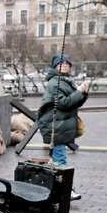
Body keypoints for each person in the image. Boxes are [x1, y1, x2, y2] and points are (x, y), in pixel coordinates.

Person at [36, 53, 88, 201]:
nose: (64, 65)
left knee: (57, 160)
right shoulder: (55, 83)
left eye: (67, 63)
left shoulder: (65, 81)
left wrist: (83, 93)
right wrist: (79, 91)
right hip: (55, 126)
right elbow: (64, 103)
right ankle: (66, 191)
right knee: (60, 161)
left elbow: (74, 102)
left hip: (60, 125)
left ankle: (55, 190)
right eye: (61, 63)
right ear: (55, 66)